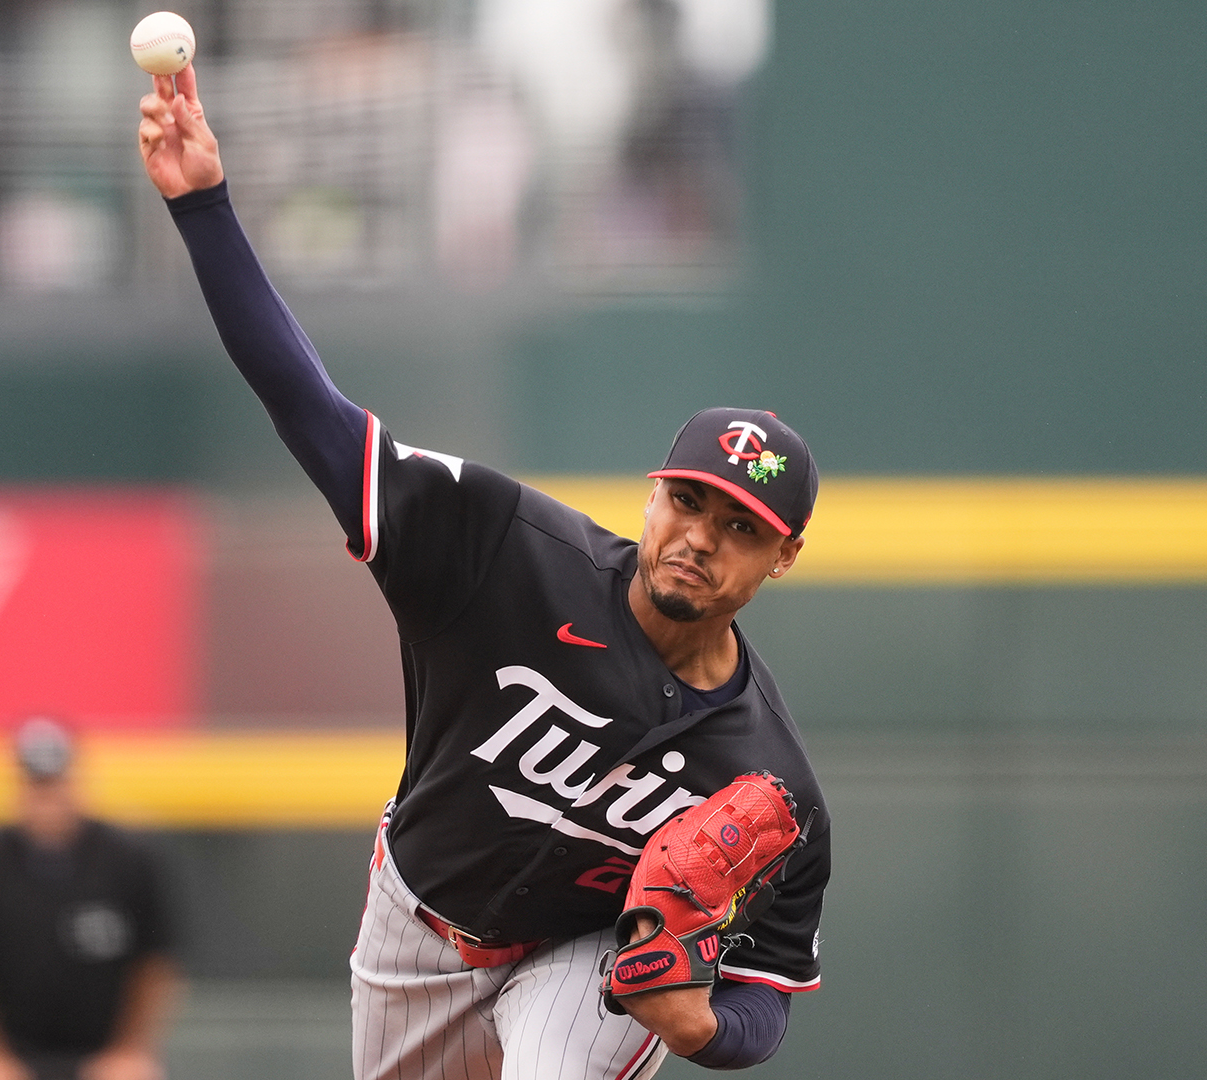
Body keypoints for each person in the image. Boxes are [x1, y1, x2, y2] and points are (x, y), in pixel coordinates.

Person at [136, 64, 830, 1080]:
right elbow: (312, 413)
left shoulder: (770, 775)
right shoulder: (504, 551)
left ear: (784, 555)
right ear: (653, 495)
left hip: (583, 955)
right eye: (687, 502)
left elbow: (767, 985)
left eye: (741, 527)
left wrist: (701, 1028)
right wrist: (203, 206)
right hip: (416, 928)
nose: (700, 538)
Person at [0, 718, 181, 1080]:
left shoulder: (130, 858)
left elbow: (156, 963)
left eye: (56, 783)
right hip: (11, 1053)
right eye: (37, 785)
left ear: (77, 780)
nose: (47, 799)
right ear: (18, 785)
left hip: (104, 1053)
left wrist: (130, 1049)